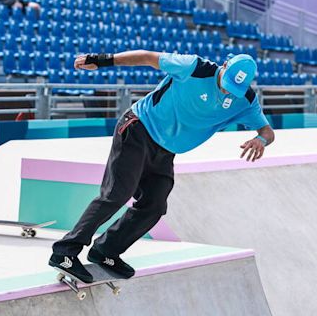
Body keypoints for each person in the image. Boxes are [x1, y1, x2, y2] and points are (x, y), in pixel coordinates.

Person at [49, 50, 275, 282]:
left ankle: (106, 251)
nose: (227, 91)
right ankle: (65, 252)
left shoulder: (245, 100)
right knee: (116, 195)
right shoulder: (194, 68)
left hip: (165, 151)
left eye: (233, 90)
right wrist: (102, 61)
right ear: (224, 65)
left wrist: (261, 140)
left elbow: (267, 131)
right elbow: (147, 57)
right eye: (226, 83)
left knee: (154, 206)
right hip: (138, 128)